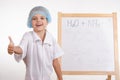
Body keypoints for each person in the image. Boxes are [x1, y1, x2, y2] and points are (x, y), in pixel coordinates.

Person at [7, 6, 64, 80]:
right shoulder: (28, 36)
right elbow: (21, 49)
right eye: (34, 18)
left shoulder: (51, 38)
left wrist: (60, 78)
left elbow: (55, 61)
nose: (38, 20)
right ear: (30, 22)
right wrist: (13, 48)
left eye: (42, 18)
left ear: (47, 21)